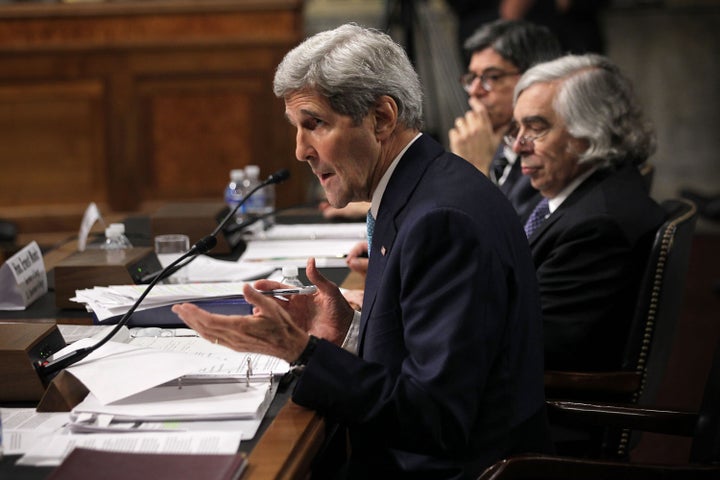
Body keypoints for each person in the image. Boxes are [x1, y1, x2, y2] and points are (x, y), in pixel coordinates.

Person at [173, 23, 551, 479]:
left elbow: (437, 417)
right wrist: (350, 333)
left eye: (314, 124)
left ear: (382, 118)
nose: (299, 151)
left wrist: (303, 353)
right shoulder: (422, 188)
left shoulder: (442, 221)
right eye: (296, 128)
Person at [508, 53, 666, 371]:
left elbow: (534, 345)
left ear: (589, 132)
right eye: (517, 128)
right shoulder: (583, 190)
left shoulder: (598, 225)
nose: (518, 146)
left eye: (535, 128)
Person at [449, 19, 562, 220]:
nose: (474, 90)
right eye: (471, 78)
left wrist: (475, 172)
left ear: (534, 79)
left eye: (492, 77)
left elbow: (513, 241)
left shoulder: (548, 157)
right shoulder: (482, 140)